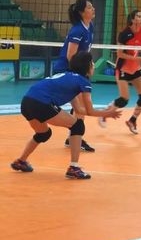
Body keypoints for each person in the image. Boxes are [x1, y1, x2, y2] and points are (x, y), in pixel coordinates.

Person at [10, 51, 122, 179]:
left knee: (43, 134)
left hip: (26, 102)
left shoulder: (67, 76)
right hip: (42, 103)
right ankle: (74, 168)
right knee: (77, 126)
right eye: (92, 63)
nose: (94, 66)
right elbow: (90, 111)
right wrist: (108, 113)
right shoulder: (83, 82)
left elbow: (79, 110)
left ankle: (21, 161)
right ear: (87, 66)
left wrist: (103, 112)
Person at [98, 9, 141, 134]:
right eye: (139, 16)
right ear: (133, 19)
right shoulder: (124, 34)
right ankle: (105, 113)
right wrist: (137, 58)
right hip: (123, 69)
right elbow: (120, 54)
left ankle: (132, 121)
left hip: (136, 69)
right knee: (124, 100)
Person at [53, 0, 96, 152]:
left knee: (81, 105)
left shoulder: (90, 26)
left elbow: (85, 51)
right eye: (89, 7)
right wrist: (82, 73)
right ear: (81, 12)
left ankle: (73, 137)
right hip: (66, 69)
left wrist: (89, 65)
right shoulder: (77, 30)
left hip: (77, 69)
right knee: (81, 106)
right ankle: (75, 137)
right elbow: (70, 56)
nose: (93, 9)